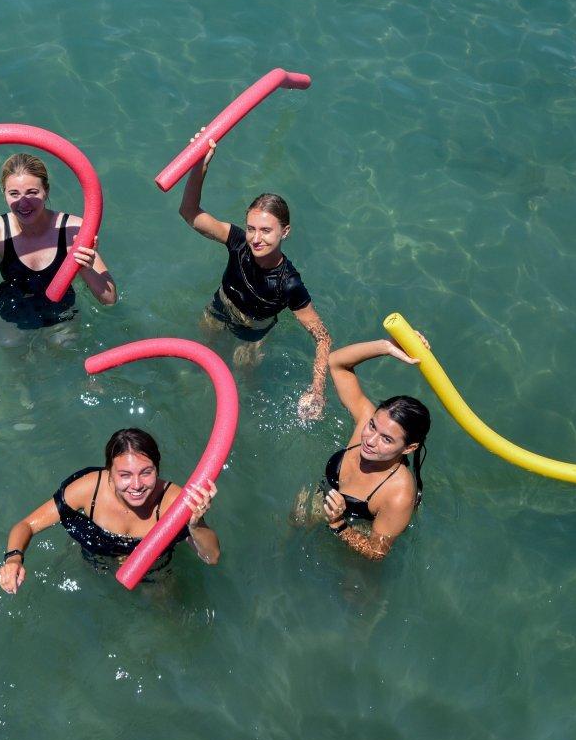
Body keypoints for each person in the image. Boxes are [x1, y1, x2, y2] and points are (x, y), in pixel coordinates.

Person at [177, 135, 331, 420]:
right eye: (251, 229)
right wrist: (199, 166)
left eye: (266, 231)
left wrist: (317, 390)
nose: (256, 239)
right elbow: (189, 212)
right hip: (219, 308)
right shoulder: (236, 241)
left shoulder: (289, 283)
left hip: (253, 331)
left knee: (246, 376)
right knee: (206, 357)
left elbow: (323, 338)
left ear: (285, 232)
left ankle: (248, 407)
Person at [0, 428, 220, 593]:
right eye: (124, 475)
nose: (136, 485)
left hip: (154, 571)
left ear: (157, 468)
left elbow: (211, 557)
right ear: (109, 473)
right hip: (94, 561)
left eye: (146, 472)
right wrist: (13, 561)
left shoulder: (172, 500)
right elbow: (26, 525)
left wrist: (195, 524)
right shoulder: (89, 489)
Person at [0, 153, 117, 335]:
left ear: (46, 191)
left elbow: (109, 300)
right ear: (4, 195)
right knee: (13, 348)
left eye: (32, 192)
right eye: (14, 193)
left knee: (63, 345)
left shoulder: (73, 229)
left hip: (62, 304)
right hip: (12, 304)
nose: (23, 202)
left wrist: (85, 267)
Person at [306, 335, 432, 561]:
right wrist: (387, 346)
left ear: (408, 448)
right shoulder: (365, 420)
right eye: (373, 425)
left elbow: (376, 552)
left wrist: (338, 524)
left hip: (355, 527)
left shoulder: (398, 494)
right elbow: (336, 362)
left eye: (386, 439)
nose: (370, 440)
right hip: (324, 496)